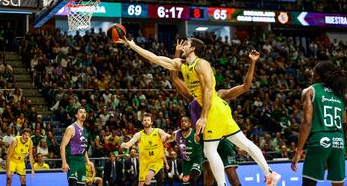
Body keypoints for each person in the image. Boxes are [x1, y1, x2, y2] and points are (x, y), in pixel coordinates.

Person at [119, 37, 280, 186]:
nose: (183, 46)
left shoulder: (201, 64)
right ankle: (269, 173)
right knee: (243, 142)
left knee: (209, 150)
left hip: (213, 111)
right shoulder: (182, 64)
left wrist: (203, 117)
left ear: (193, 48)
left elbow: (208, 89)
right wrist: (133, 45)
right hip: (221, 110)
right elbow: (156, 59)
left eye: (186, 44)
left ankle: (224, 184)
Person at [171, 47, 259, 186]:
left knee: (230, 171)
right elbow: (174, 78)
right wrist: (177, 53)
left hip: (222, 136)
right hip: (206, 138)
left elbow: (245, 86)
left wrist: (252, 62)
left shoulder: (219, 94)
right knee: (208, 173)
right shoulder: (192, 96)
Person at [291, 61, 347, 186]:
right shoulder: (339, 94)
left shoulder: (310, 91)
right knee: (338, 183)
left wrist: (298, 150)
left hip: (320, 139)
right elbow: (344, 121)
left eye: (313, 73)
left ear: (318, 76)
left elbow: (307, 122)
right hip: (338, 140)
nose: (311, 75)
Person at [120, 112, 171, 186]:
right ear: (142, 123)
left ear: (151, 122)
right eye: (144, 120)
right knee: (141, 184)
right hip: (144, 163)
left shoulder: (158, 131)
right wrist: (125, 144)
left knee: (148, 177)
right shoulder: (139, 135)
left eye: (148, 120)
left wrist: (169, 136)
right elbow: (129, 144)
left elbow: (169, 137)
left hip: (156, 161)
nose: (146, 121)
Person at [167, 116, 202, 186]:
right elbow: (168, 140)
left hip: (196, 160)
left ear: (190, 124)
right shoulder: (176, 134)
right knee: (186, 183)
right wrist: (162, 142)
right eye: (182, 121)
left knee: (192, 178)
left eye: (185, 121)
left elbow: (204, 144)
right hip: (185, 162)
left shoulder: (195, 134)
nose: (183, 123)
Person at [60, 107, 90, 186]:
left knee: (81, 184)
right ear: (76, 115)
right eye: (80, 112)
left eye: (84, 112)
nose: (83, 114)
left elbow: (84, 147)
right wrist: (64, 162)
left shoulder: (85, 130)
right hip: (72, 160)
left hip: (82, 161)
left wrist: (88, 161)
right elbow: (62, 146)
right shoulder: (71, 128)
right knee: (73, 183)